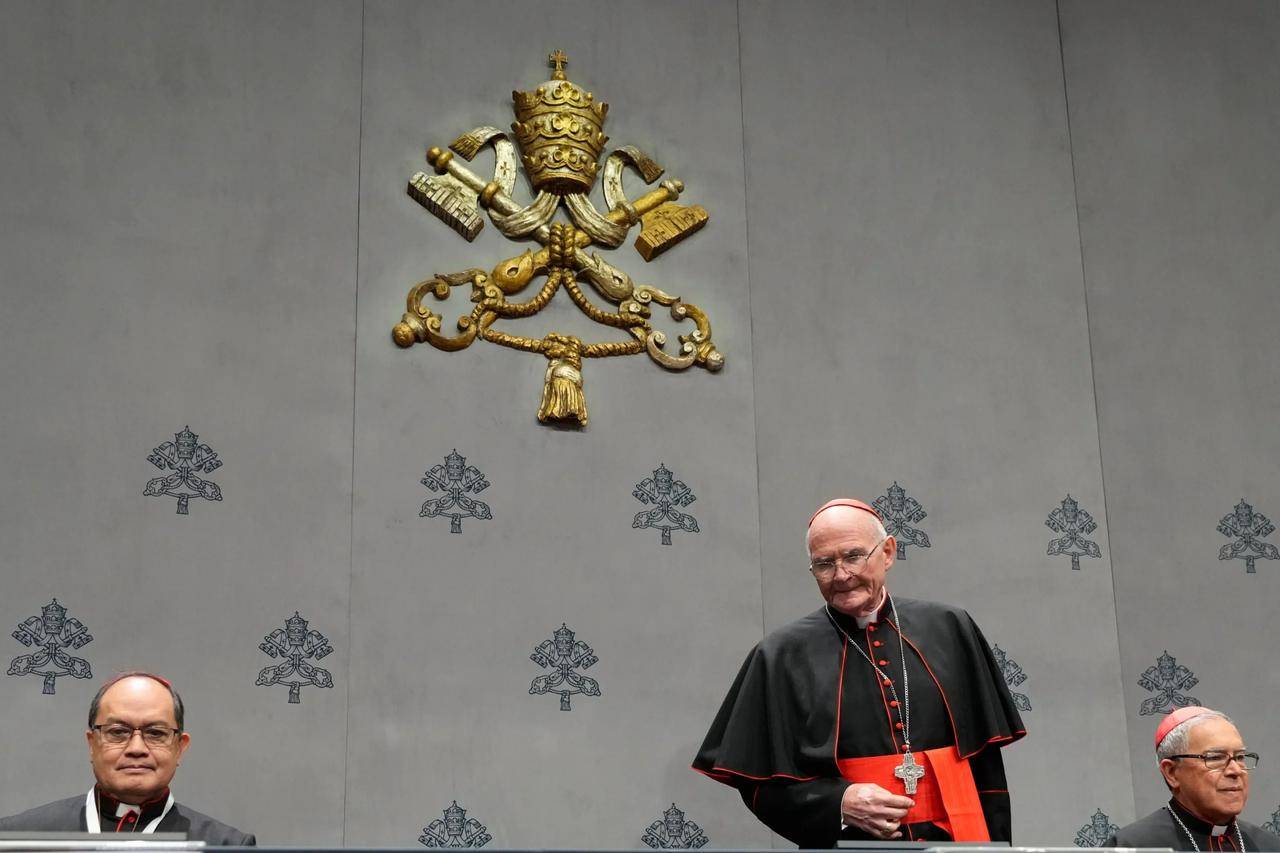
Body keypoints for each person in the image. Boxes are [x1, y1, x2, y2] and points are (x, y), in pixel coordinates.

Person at [693, 498, 1025, 847]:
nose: (841, 575)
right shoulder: (781, 655)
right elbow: (759, 786)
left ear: (888, 552)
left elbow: (986, 767)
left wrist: (997, 848)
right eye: (824, 564)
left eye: (853, 556)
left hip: (956, 841)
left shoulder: (950, 628)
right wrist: (837, 804)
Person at [0, 672, 255, 844]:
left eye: (156, 733)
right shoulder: (18, 838)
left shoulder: (224, 846)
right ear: (92, 743)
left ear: (180, 747)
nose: (136, 748)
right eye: (118, 732)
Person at [1106, 706, 1280, 851]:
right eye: (1215, 757)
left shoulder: (1270, 846)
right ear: (1172, 772)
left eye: (1240, 757)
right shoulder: (1133, 846)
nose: (1235, 770)